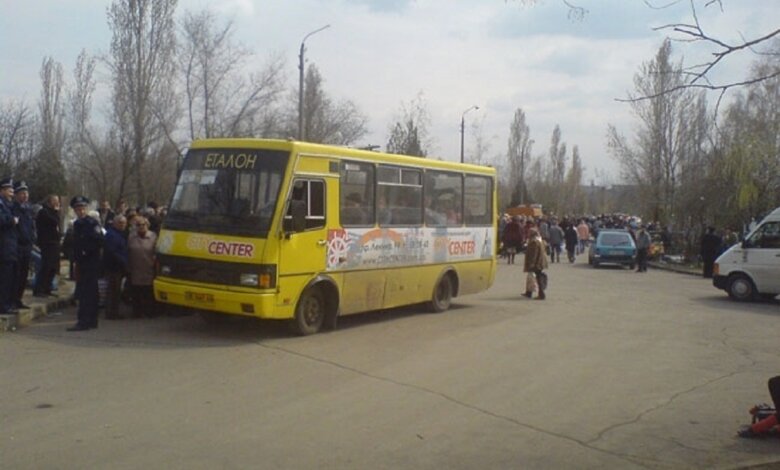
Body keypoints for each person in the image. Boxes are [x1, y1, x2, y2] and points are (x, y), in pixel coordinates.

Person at [67, 196, 104, 331]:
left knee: (88, 292)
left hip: (90, 261)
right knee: (85, 291)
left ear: (86, 209)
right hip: (81, 262)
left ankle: (86, 321)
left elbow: (99, 240)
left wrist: (86, 251)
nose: (80, 211)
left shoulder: (92, 223)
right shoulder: (77, 224)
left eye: (82, 208)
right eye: (78, 209)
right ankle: (88, 320)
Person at [128, 216, 158, 318]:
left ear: (147, 225)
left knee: (148, 292)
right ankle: (137, 312)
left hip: (148, 268)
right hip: (135, 268)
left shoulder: (153, 236)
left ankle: (149, 312)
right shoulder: (131, 237)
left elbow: (157, 252)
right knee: (136, 292)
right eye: (138, 225)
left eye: (143, 225)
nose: (141, 227)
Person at [12, 181, 35, 309]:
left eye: (26, 193)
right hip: (18, 245)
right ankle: (13, 299)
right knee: (16, 274)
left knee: (24, 275)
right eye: (21, 193)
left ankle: (18, 299)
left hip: (27, 245)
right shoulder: (14, 208)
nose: (25, 196)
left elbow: (31, 226)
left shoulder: (28, 208)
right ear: (16, 195)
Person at [34, 194, 61, 297]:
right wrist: (56, 211)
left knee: (53, 267)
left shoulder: (54, 212)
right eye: (55, 200)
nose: (57, 202)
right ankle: (39, 289)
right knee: (46, 266)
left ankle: (47, 287)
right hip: (47, 243)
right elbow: (54, 221)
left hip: (54, 242)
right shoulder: (44, 212)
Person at [102, 215, 128, 320]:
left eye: (124, 223)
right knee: (113, 291)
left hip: (118, 267)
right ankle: (111, 313)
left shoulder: (120, 234)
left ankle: (114, 312)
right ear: (115, 223)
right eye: (120, 223)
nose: (122, 225)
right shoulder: (112, 235)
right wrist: (123, 261)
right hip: (113, 267)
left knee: (116, 291)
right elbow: (112, 252)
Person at [0, 177, 19, 315]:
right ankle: (3, 306)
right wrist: (11, 220)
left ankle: (8, 303)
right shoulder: (1, 205)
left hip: (11, 246)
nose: (12, 193)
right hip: (4, 246)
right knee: (4, 279)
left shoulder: (10, 205)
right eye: (9, 190)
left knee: (11, 278)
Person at [523, 227, 549, 300]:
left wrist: (532, 263)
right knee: (533, 277)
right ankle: (529, 292)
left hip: (537, 263)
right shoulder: (539, 240)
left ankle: (541, 294)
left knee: (537, 277)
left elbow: (534, 254)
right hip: (540, 262)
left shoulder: (534, 242)